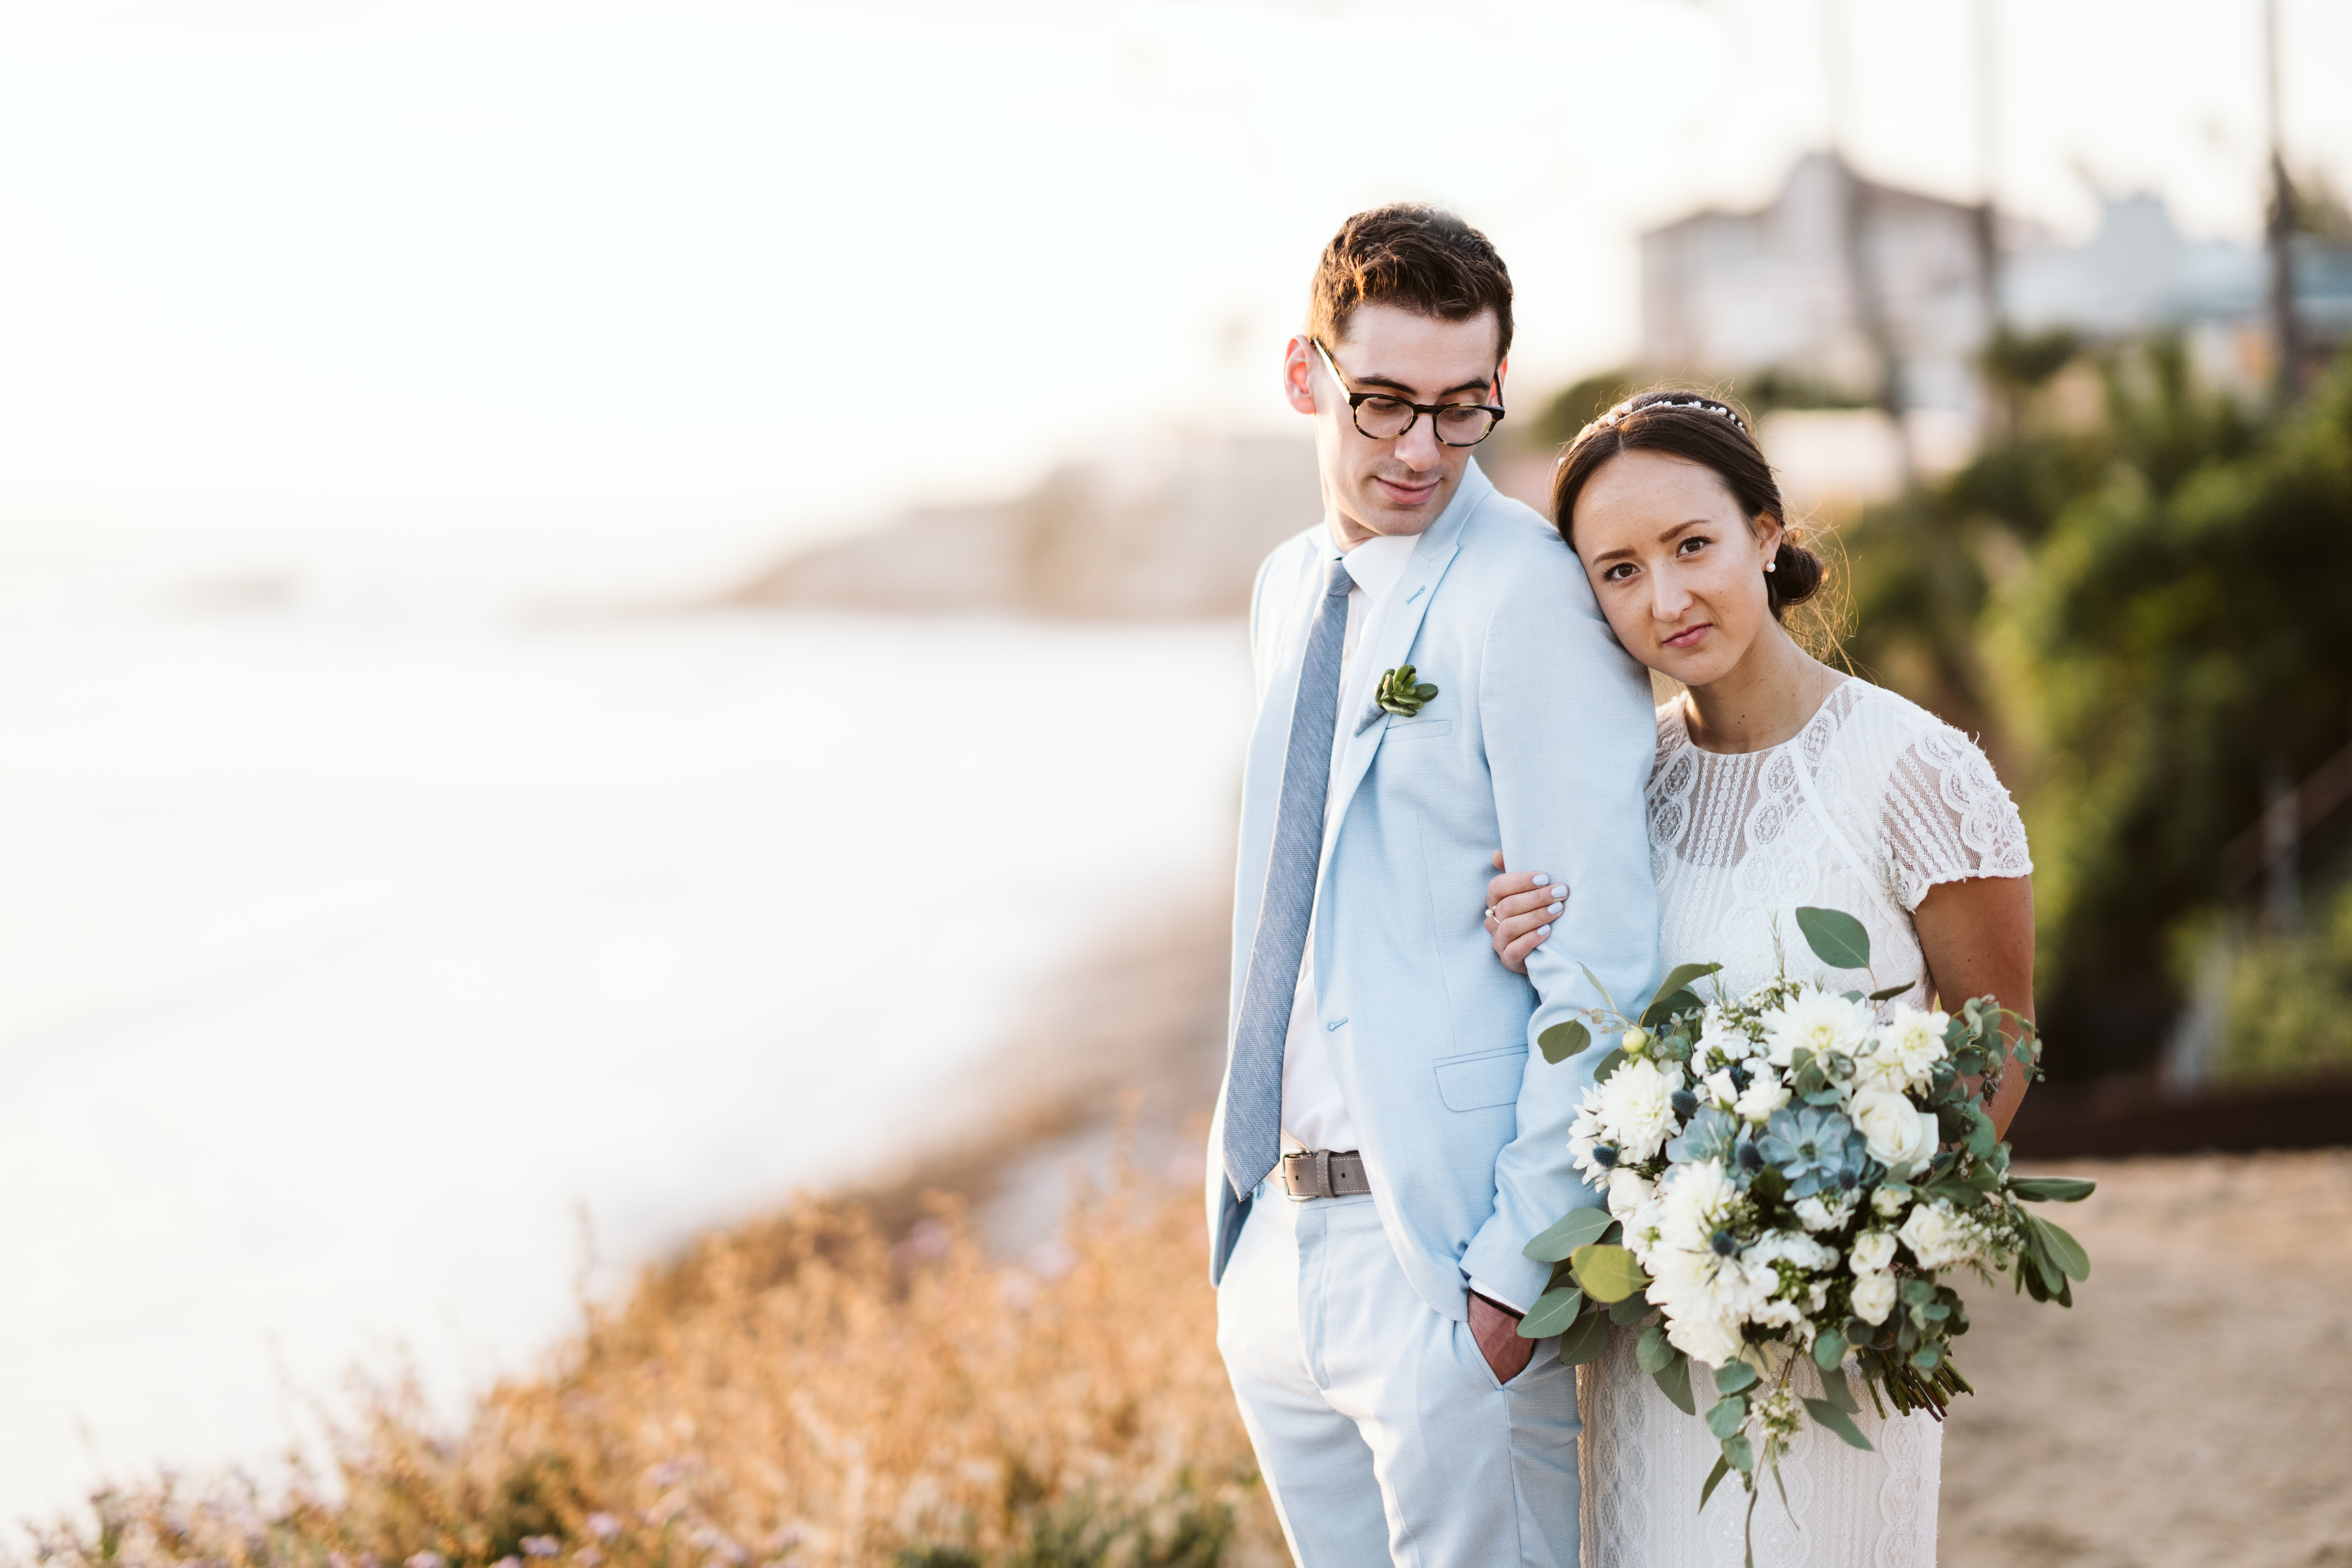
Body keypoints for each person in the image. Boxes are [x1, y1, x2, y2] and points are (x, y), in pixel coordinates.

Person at [1482, 390, 2036, 1568]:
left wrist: (1866, 1247)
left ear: (1767, 533)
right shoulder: (1616, 791)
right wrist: (1512, 927)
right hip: (1652, 1338)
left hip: (1829, 1338)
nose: (1666, 599)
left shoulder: (1917, 771)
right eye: (1618, 571)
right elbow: (1584, 1019)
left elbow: (2003, 1046)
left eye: (1693, 546)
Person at [1206, 204, 1659, 1566]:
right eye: (1385, 404)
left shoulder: (1527, 593)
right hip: (1276, 1248)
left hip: (1444, 1266)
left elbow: (1604, 954)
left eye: (1463, 412)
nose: (1420, 451)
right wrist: (1244, 1252)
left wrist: (1511, 1276)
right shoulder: (1289, 586)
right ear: (1308, 378)